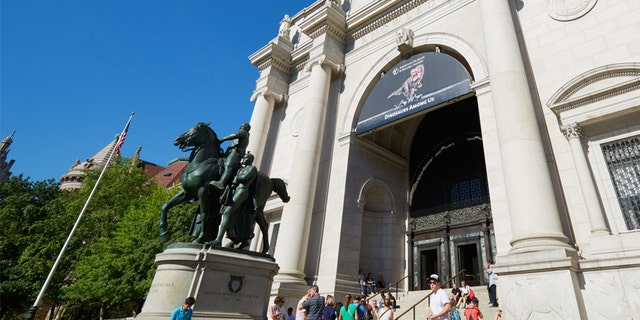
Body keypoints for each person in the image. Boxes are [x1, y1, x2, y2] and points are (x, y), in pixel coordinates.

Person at [211, 152, 258, 246]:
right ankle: (237, 238)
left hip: (242, 191)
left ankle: (219, 239)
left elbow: (244, 178)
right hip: (234, 190)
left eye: (245, 158)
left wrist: (236, 176)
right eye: (243, 158)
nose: (243, 159)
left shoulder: (252, 168)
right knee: (229, 214)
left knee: (227, 212)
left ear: (250, 159)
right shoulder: (242, 168)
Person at [210, 122, 251, 190]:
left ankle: (221, 183)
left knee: (228, 166)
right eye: (241, 126)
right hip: (229, 152)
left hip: (235, 153)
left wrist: (221, 139)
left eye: (242, 126)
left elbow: (234, 135)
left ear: (246, 128)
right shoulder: (244, 135)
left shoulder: (243, 133)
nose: (241, 127)